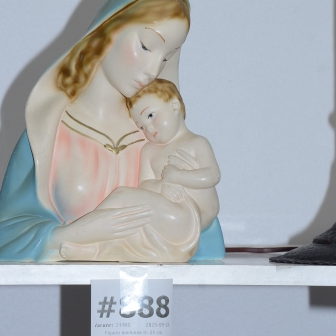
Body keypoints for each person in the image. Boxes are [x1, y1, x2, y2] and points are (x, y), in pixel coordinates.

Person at [0, 0, 224, 262]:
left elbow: (204, 239)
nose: (153, 69)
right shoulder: (50, 133)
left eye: (167, 57)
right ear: (109, 30)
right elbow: (0, 240)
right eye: (146, 46)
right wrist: (72, 234)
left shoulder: (156, 135)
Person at [59, 79, 221, 262]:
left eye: (150, 115)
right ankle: (94, 249)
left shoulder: (196, 143)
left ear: (174, 106)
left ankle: (78, 234)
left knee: (121, 196)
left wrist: (178, 176)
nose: (149, 129)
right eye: (141, 126)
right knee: (128, 221)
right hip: (164, 214)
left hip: (187, 220)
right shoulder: (149, 150)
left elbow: (212, 175)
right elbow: (145, 184)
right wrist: (161, 187)